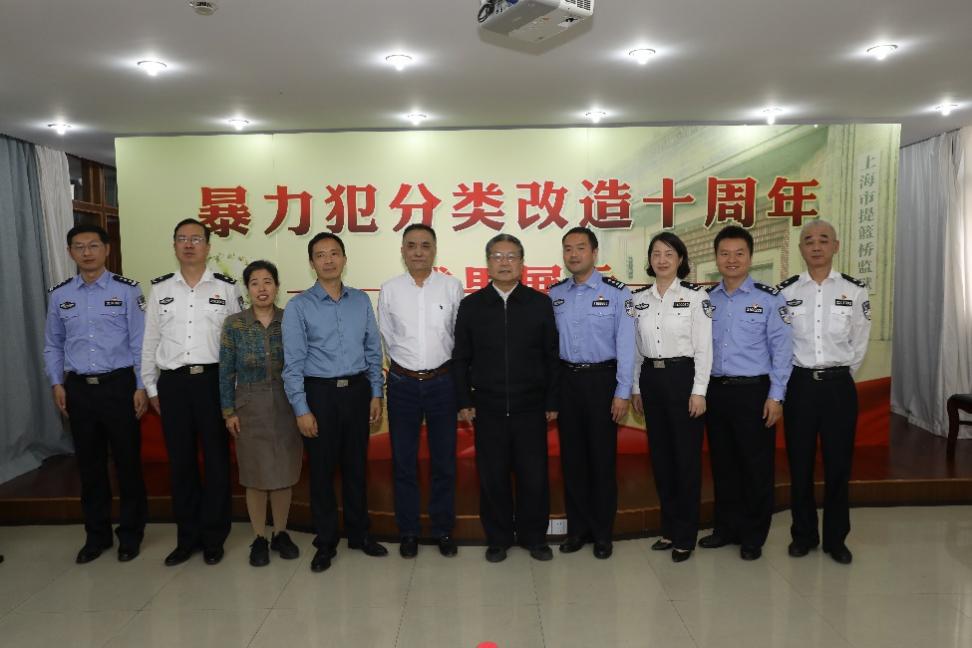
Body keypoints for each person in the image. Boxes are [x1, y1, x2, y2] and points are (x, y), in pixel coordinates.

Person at [43, 224, 148, 563]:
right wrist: (57, 383)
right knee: (89, 467)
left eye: (93, 245)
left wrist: (141, 386)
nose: (86, 252)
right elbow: (53, 344)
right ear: (70, 252)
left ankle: (130, 534)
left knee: (128, 464)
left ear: (106, 249)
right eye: (79, 246)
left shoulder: (128, 290)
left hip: (119, 386)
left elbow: (140, 342)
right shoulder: (60, 295)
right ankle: (96, 536)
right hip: (78, 389)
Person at [282, 232, 386, 573]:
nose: (328, 260)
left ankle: (359, 534)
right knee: (322, 472)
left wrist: (376, 393)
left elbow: (373, 350)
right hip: (320, 394)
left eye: (334, 253)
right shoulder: (299, 306)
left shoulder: (360, 301)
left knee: (357, 468)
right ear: (311, 263)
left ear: (344, 258)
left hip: (357, 391)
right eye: (320, 255)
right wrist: (302, 409)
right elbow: (293, 364)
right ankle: (325, 541)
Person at [452, 233, 559, 563]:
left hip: (531, 407)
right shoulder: (471, 306)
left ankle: (534, 537)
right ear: (487, 264)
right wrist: (463, 401)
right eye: (497, 256)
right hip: (488, 407)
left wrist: (552, 401)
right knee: (493, 477)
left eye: (511, 256)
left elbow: (551, 356)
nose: (504, 262)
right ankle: (498, 539)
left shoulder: (539, 304)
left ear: (522, 263)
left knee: (534, 476)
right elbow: (461, 358)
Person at [141, 218, 242, 567]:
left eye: (196, 239)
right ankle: (186, 538)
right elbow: (150, 341)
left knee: (216, 462)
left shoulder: (226, 289)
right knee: (181, 463)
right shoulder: (160, 290)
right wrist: (150, 386)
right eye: (182, 238)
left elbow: (236, 342)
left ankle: (214, 538)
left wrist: (233, 391)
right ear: (174, 245)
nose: (189, 244)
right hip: (173, 384)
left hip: (213, 382)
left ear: (208, 247)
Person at [777, 220, 871, 565]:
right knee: (799, 465)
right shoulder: (786, 292)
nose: (816, 246)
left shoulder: (854, 291)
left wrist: (837, 374)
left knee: (838, 466)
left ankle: (836, 539)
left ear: (836, 246)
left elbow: (859, 344)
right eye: (808, 241)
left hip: (837, 388)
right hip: (799, 386)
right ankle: (803, 535)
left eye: (823, 240)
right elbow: (780, 343)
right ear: (800, 248)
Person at [699, 225, 793, 561]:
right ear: (716, 258)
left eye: (739, 253)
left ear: (750, 257)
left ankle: (753, 535)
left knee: (755, 466)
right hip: (716, 392)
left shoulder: (769, 299)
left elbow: (783, 350)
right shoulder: (707, 300)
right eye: (724, 253)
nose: (732, 260)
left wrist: (776, 396)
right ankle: (725, 529)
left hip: (754, 392)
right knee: (723, 464)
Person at [548, 227, 635, 560]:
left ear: (594, 253)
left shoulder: (617, 293)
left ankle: (602, 534)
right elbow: (549, 349)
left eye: (580, 248)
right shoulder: (555, 294)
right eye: (568, 248)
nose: (573, 254)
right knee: (572, 462)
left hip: (602, 382)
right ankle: (578, 531)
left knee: (601, 461)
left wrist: (622, 392)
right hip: (567, 382)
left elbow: (626, 345)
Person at [377, 224, 463, 559]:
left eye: (425, 245)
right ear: (402, 250)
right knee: (403, 462)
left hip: (443, 383)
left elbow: (458, 337)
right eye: (411, 245)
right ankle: (408, 531)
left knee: (444, 462)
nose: (418, 251)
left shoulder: (452, 287)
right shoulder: (390, 289)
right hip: (403, 384)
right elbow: (387, 337)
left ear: (434, 250)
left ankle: (443, 530)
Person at [630, 232, 712, 563]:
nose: (662, 259)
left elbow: (704, 348)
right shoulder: (638, 299)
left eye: (669, 253)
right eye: (656, 253)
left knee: (685, 461)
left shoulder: (696, 296)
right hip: (651, 379)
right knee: (662, 459)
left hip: (683, 379)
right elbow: (635, 350)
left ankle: (685, 535)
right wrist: (636, 387)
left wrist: (699, 391)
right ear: (650, 260)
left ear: (680, 259)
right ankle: (668, 529)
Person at [219, 260, 303, 567]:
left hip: (286, 402)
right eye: (254, 283)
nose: (262, 288)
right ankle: (259, 538)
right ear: (247, 289)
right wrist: (228, 410)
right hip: (249, 405)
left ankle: (280, 533)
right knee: (254, 475)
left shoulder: (291, 319)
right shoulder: (234, 324)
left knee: (283, 473)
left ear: (277, 286)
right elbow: (226, 371)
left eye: (268, 281)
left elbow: (302, 363)